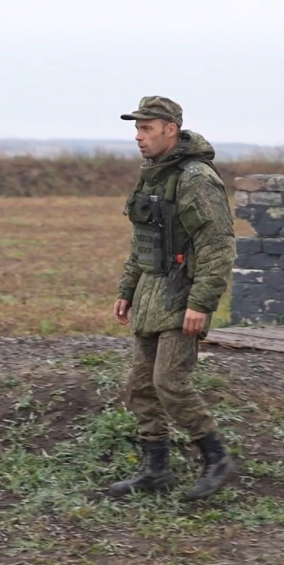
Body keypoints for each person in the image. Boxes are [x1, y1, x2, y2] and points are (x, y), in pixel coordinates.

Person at [109, 96, 236, 500]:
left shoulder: (196, 178)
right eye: (137, 128)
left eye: (146, 128)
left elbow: (217, 244)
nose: (138, 136)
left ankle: (216, 458)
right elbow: (142, 240)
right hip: (150, 294)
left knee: (170, 382)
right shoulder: (153, 175)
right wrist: (126, 290)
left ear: (170, 130)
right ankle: (156, 470)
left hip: (182, 295)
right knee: (139, 385)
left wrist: (201, 303)